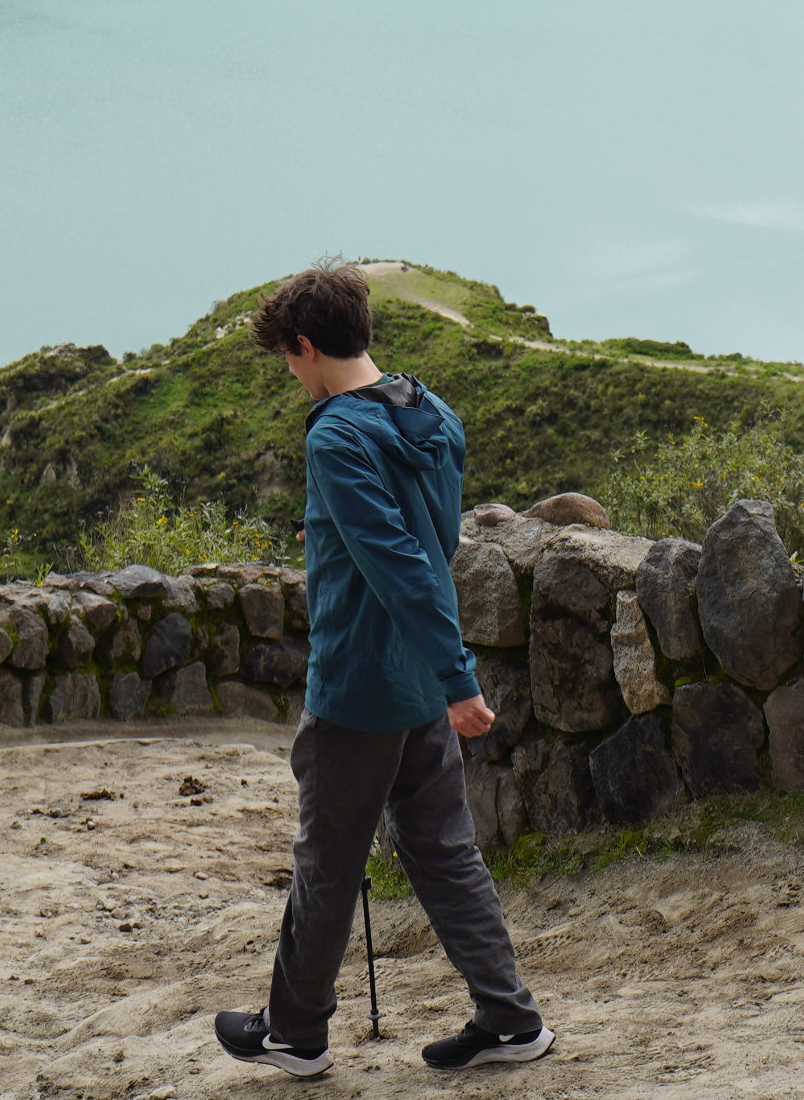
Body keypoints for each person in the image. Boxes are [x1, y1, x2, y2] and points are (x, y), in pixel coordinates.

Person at [215, 260, 552, 1078]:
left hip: (360, 685)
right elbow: (429, 540)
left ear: (307, 346)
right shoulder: (431, 411)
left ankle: (294, 1035)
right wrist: (331, 531)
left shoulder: (335, 434)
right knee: (444, 851)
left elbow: (401, 562)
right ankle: (510, 1022)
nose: (293, 376)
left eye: (289, 360)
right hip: (414, 689)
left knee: (327, 864)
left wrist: (461, 678)